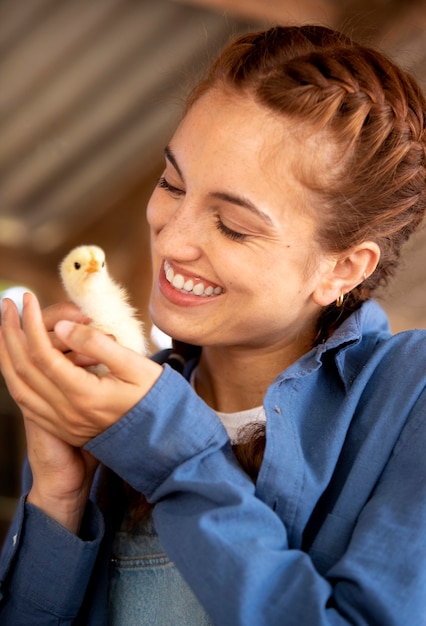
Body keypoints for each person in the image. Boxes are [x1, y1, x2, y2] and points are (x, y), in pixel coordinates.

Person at [0, 23, 425, 625]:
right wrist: (60, 498)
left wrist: (168, 451)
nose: (172, 238)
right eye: (172, 184)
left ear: (342, 268)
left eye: (232, 226)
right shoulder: (117, 408)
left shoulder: (410, 397)